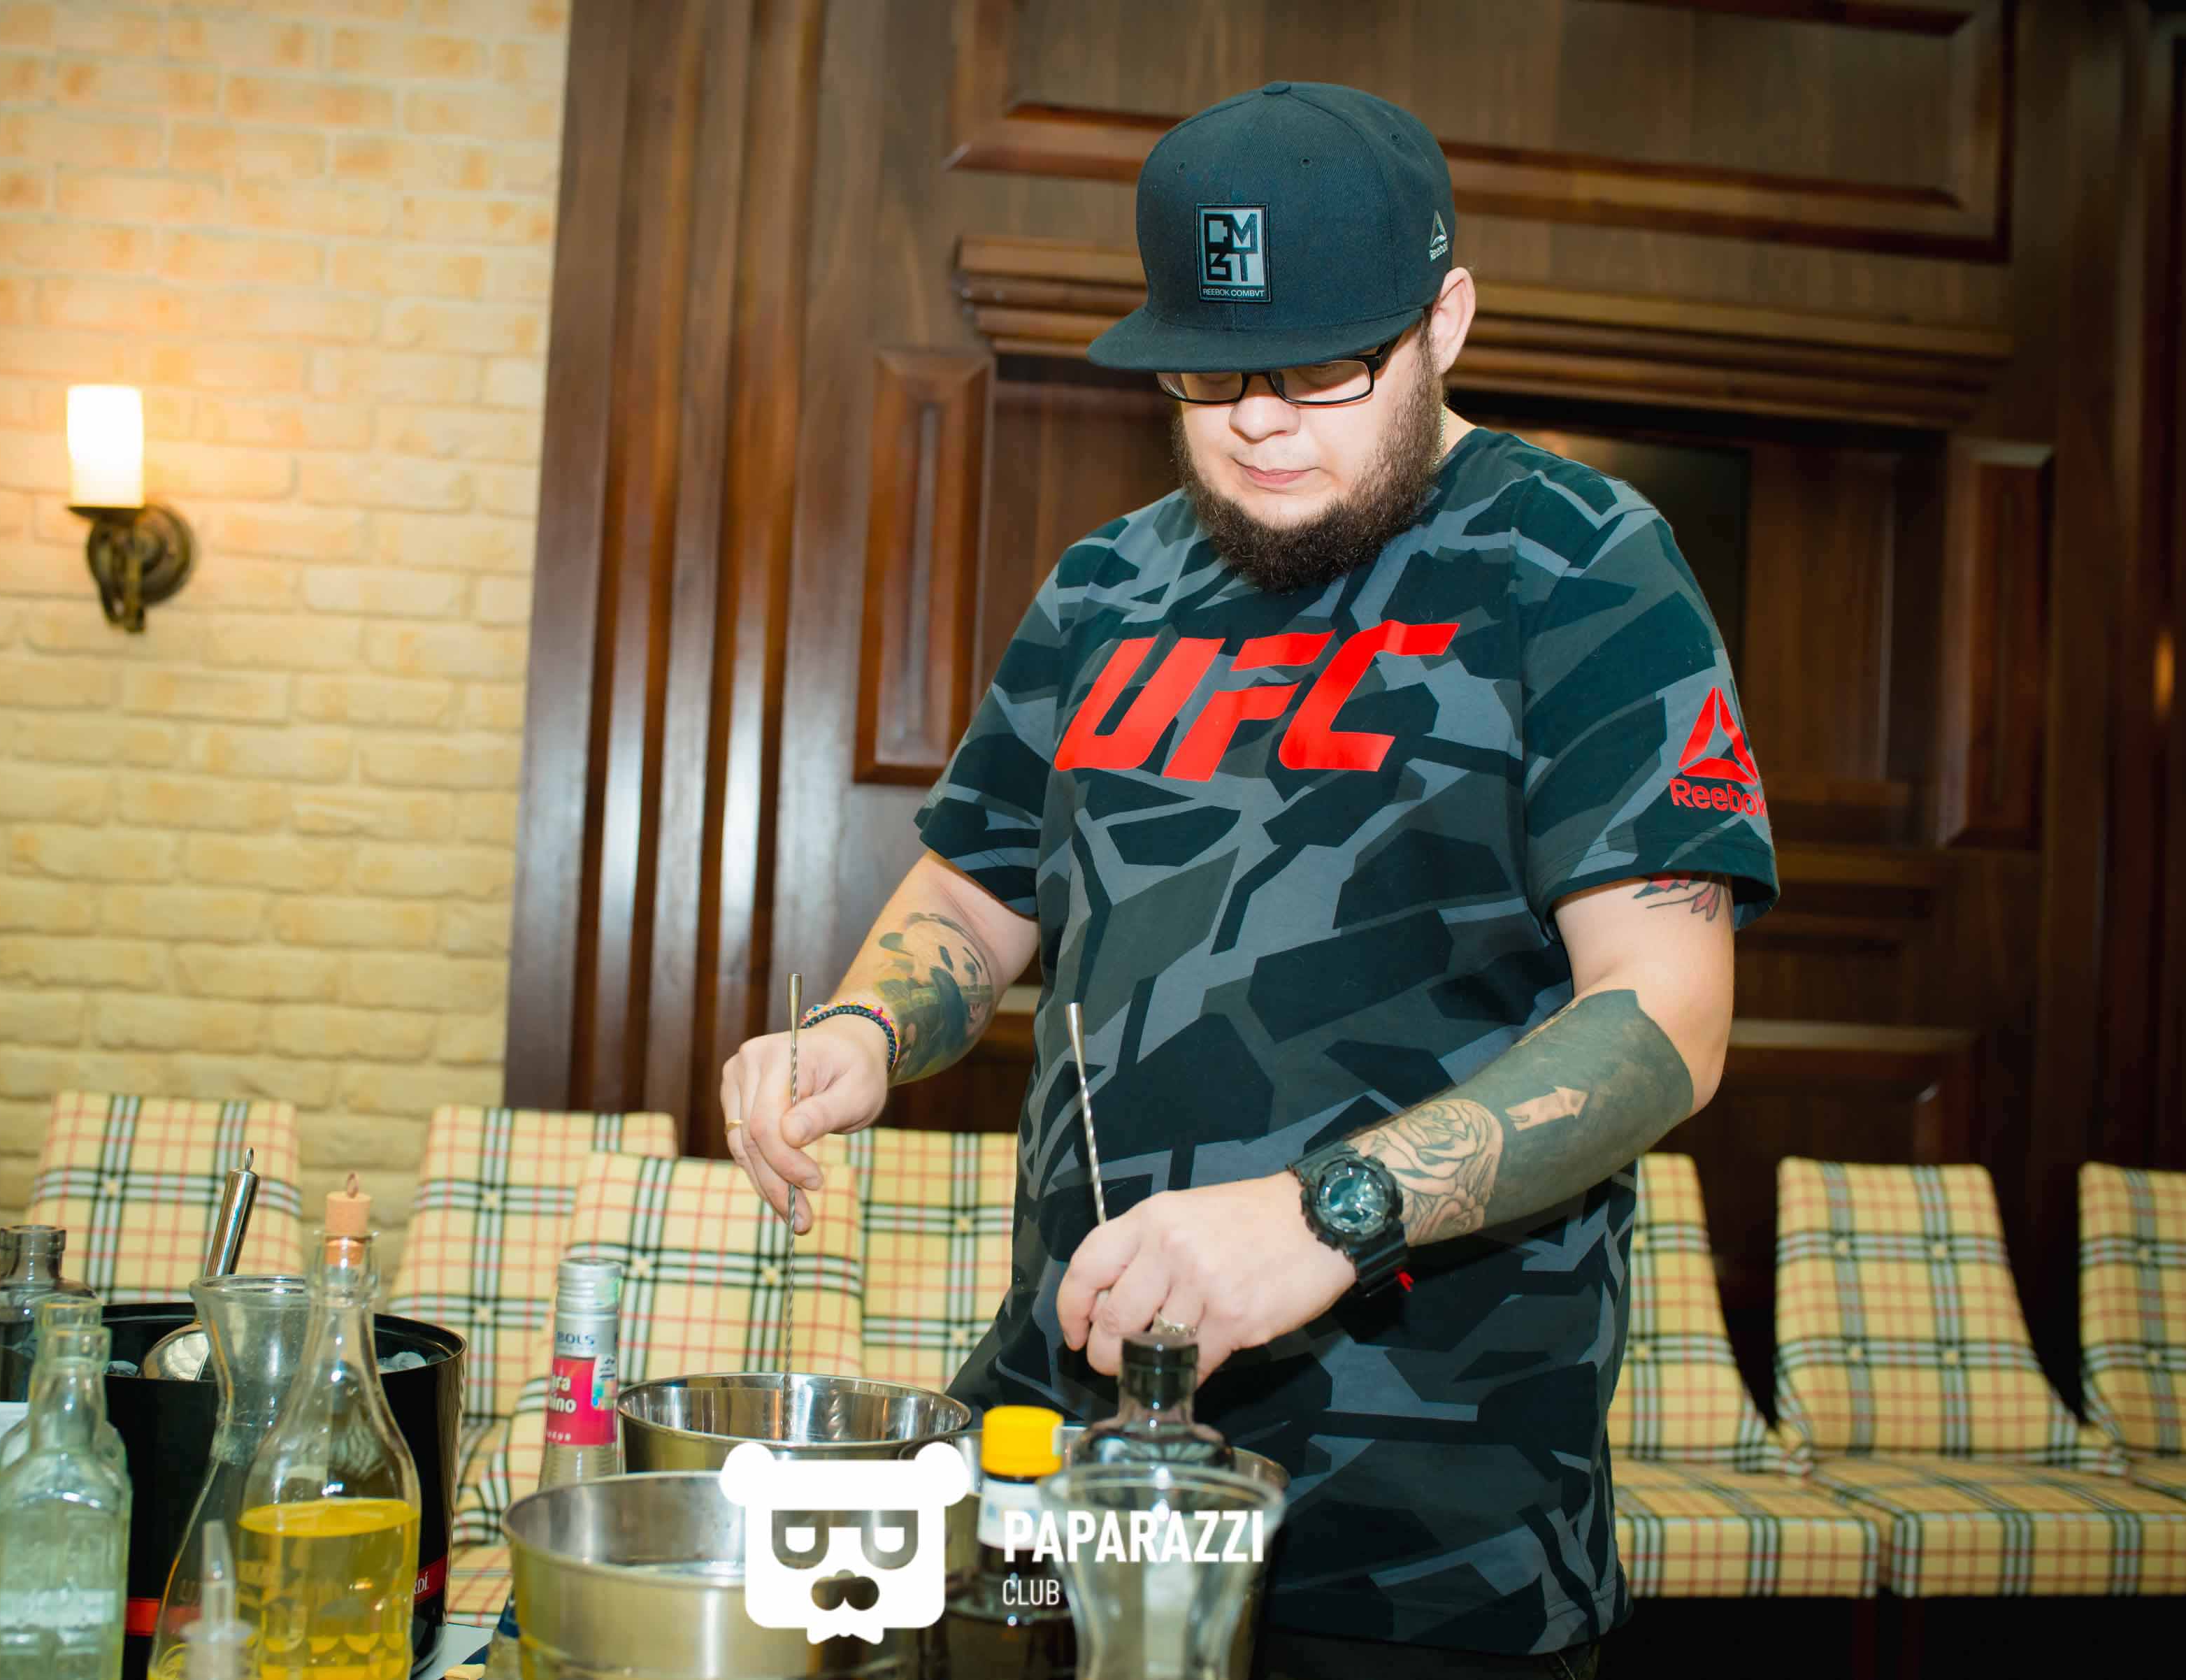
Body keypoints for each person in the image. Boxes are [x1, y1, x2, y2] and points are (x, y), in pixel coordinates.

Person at [719, 81, 1777, 1680]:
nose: (1259, 421)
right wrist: (860, 1031)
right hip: (1065, 1458)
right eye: (1210, 373)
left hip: (1428, 1511)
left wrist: (1323, 1213)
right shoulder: (1109, 583)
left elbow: (1666, 1018)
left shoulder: (1578, 564)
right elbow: (972, 893)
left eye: (1324, 367)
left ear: (1446, 321)